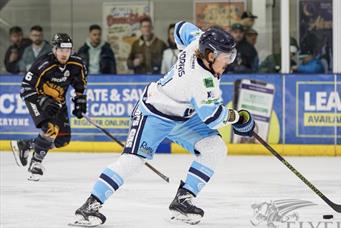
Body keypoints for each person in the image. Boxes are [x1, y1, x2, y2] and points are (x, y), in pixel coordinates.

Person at [70, 21, 255, 227]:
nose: (229, 61)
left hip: (184, 115)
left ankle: (183, 200)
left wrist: (185, 49)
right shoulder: (201, 80)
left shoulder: (196, 42)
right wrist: (239, 118)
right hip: (154, 113)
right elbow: (212, 117)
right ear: (210, 55)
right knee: (132, 161)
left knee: (215, 148)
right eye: (225, 56)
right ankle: (90, 205)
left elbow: (180, 27)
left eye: (231, 55)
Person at [10, 33, 88, 181]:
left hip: (58, 102)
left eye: (68, 50)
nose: (64, 54)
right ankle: (36, 163)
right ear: (54, 49)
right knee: (50, 129)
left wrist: (80, 102)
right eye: (61, 50)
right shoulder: (43, 64)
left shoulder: (77, 64)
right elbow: (25, 87)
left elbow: (80, 85)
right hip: (36, 99)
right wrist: (41, 100)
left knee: (62, 140)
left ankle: (26, 144)